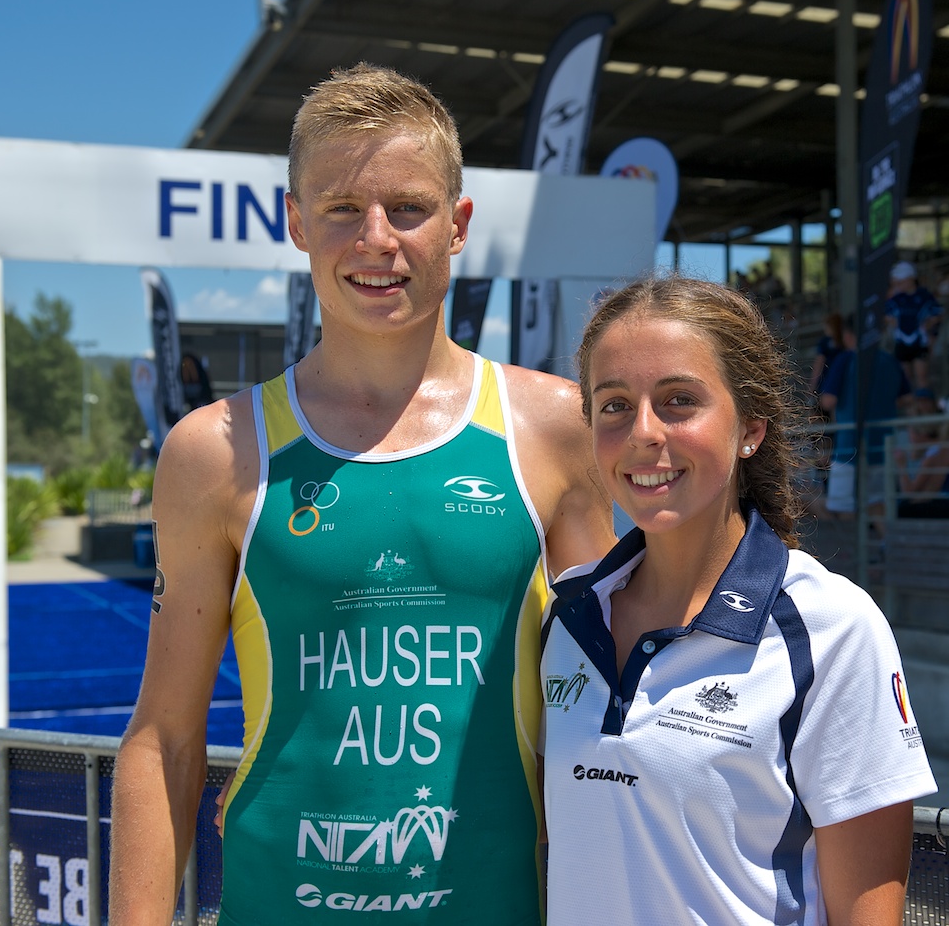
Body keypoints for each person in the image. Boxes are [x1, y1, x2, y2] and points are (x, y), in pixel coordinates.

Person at [108, 63, 615, 925]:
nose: (376, 239)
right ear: (299, 224)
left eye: (408, 209)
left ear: (456, 226)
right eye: (343, 209)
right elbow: (163, 741)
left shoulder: (556, 427)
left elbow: (607, 710)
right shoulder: (215, 452)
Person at [539, 275, 937, 926]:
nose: (643, 432)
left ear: (750, 427)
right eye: (613, 405)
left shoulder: (832, 628)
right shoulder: (565, 617)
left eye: (678, 401)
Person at [819, 312, 910, 520]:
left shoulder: (846, 359)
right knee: (877, 505)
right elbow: (908, 398)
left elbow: (828, 400)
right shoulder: (890, 360)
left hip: (849, 449)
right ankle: (887, 548)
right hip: (883, 448)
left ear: (849, 335)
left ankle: (855, 553)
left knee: (844, 509)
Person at [885, 260, 942, 390]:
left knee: (922, 377)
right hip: (901, 342)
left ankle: (924, 405)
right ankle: (913, 407)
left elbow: (937, 314)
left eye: (902, 281)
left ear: (911, 279)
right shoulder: (896, 298)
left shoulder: (924, 296)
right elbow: (886, 315)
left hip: (920, 342)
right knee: (905, 379)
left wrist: (929, 325)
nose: (899, 284)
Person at [894, 387, 949, 519]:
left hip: (936, 505)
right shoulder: (937, 451)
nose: (923, 405)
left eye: (926, 401)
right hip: (935, 503)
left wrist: (901, 466)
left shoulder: (936, 452)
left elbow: (910, 492)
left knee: (900, 509)